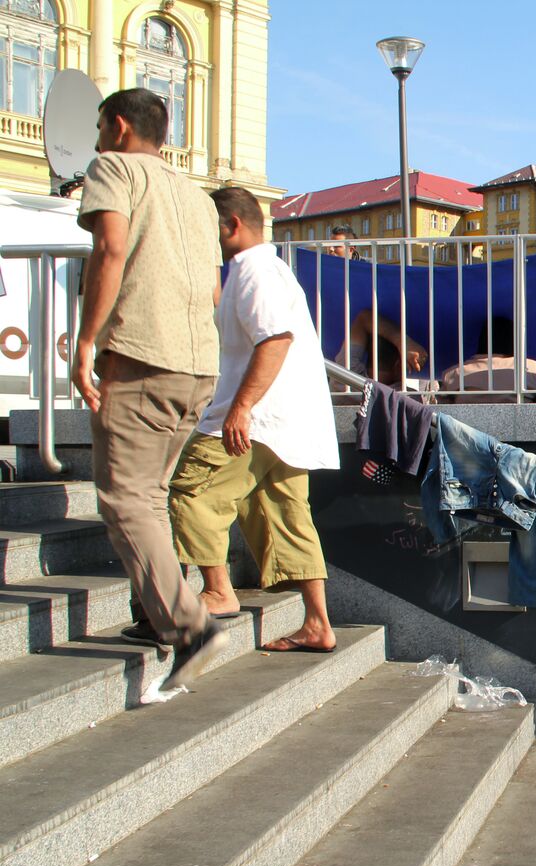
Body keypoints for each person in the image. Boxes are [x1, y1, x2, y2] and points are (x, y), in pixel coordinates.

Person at [72, 88, 229, 688]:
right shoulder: (193, 194)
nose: (91, 141)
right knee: (151, 494)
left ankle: (189, 623)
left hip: (141, 353)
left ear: (117, 126)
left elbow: (109, 249)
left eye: (96, 128)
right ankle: (155, 612)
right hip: (195, 365)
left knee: (123, 498)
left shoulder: (112, 167)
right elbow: (215, 290)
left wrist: (86, 342)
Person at [168, 187, 340, 654]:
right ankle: (318, 624)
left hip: (259, 418)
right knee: (285, 515)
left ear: (230, 226)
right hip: (289, 422)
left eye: (209, 230)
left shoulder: (253, 271)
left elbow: (275, 339)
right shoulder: (271, 270)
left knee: (191, 490)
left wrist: (241, 407)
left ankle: (218, 591)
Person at [437, 315, 536, 402]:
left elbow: (443, 415)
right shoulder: (530, 368)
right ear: (514, 341)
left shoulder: (453, 374)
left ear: (481, 340)